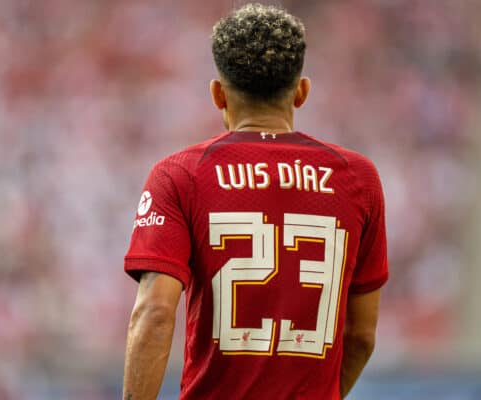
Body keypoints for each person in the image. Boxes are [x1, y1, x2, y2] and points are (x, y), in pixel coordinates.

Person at [122, 3, 388, 399]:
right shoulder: (358, 179)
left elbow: (156, 313)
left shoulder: (179, 175)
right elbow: (362, 335)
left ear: (218, 94)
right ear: (301, 91)